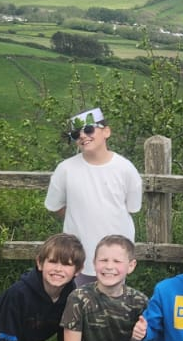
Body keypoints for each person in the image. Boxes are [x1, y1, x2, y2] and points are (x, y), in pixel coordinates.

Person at [44, 106, 142, 281]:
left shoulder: (125, 168)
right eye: (76, 134)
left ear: (106, 132)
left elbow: (132, 207)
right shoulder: (65, 169)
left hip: (116, 257)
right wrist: (79, 215)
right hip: (77, 256)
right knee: (78, 302)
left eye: (89, 129)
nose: (82, 135)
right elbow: (54, 206)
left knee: (113, 302)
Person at [58, 234, 154, 341]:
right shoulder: (79, 298)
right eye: (103, 260)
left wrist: (144, 332)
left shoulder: (139, 300)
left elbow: (153, 335)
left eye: (117, 261)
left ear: (131, 266)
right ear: (94, 264)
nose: (109, 266)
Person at [0, 233, 84, 341]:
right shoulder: (19, 293)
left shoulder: (71, 297)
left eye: (66, 264)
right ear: (40, 263)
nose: (58, 269)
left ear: (78, 270)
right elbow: (7, 338)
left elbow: (66, 340)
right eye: (52, 261)